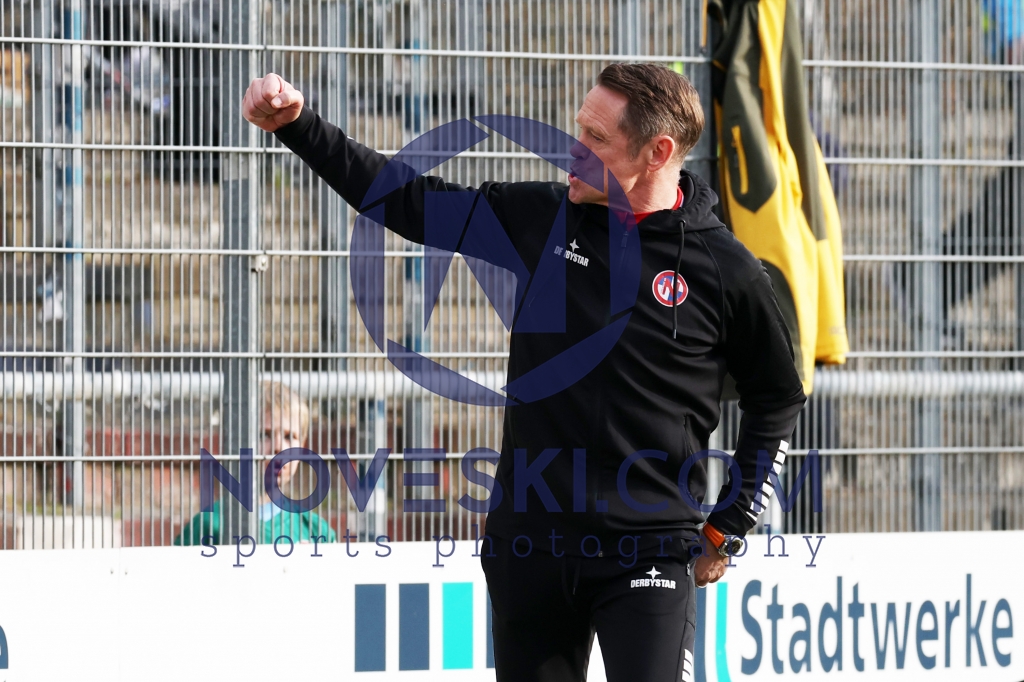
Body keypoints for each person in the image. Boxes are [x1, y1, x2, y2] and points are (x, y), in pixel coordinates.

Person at [244, 64, 804, 681]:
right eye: (578, 129)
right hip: (531, 546)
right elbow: (409, 201)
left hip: (648, 551)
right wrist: (299, 126)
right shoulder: (543, 218)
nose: (573, 149)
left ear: (657, 152)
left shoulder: (726, 271)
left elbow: (778, 395)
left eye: (595, 137)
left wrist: (731, 521)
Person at [175, 381, 337, 546]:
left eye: (289, 437)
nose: (279, 447)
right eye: (264, 435)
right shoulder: (209, 524)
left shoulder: (316, 531)